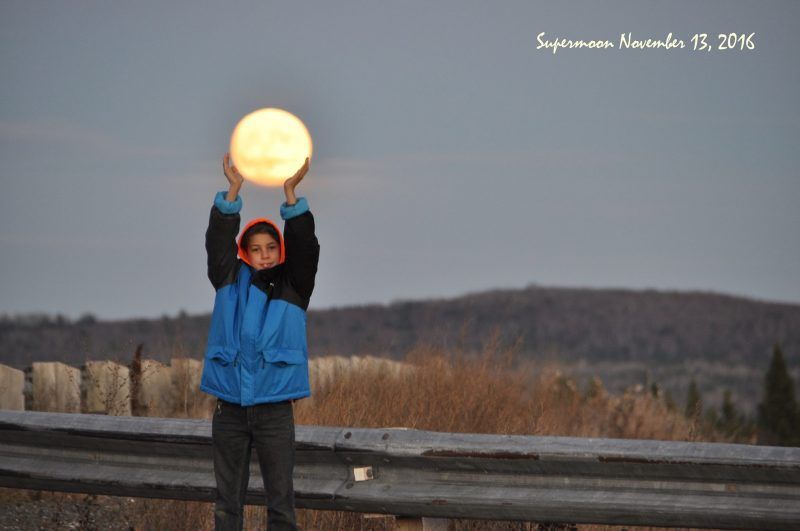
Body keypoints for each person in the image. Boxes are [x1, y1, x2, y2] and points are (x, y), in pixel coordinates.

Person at [200, 152, 320, 531]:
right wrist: (231, 195)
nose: (265, 255)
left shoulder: (295, 285)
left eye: (271, 248)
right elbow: (216, 242)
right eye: (256, 249)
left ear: (279, 250)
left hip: (274, 411)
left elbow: (306, 247)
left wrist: (291, 197)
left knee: (280, 505)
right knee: (226, 506)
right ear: (244, 252)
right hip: (229, 411)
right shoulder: (227, 279)